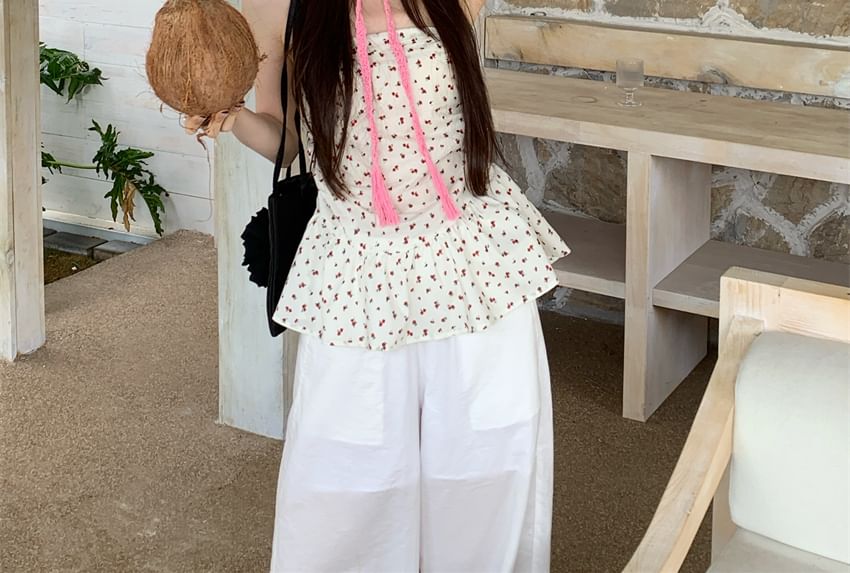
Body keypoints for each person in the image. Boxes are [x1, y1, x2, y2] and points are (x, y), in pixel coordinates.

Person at [192, 0, 570, 570]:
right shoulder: (278, 6)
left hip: (467, 256)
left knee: (485, 458)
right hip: (357, 268)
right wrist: (232, 117)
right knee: (348, 475)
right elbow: (288, 140)